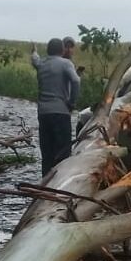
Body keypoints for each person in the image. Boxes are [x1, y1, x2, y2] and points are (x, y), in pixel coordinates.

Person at [30, 37, 81, 174]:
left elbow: (35, 59)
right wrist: (71, 102)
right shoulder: (66, 63)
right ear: (63, 50)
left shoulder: (41, 64)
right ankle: (60, 187)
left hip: (43, 114)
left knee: (47, 154)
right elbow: (76, 81)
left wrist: (34, 51)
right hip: (61, 113)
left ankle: (44, 187)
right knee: (63, 153)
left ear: (48, 50)